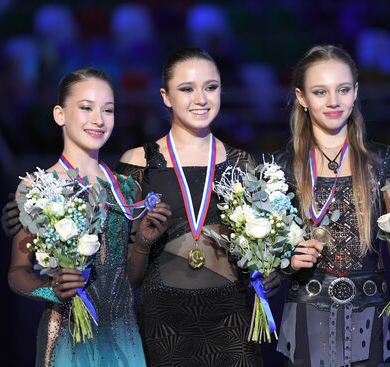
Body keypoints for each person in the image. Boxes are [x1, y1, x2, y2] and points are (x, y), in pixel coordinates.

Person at [116, 47, 280, 367]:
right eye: (187, 89)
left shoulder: (243, 164)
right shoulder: (137, 163)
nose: (201, 98)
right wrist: (143, 243)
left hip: (232, 321)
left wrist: (269, 271)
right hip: (163, 323)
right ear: (166, 97)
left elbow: (262, 250)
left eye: (211, 87)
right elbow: (126, 277)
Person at [7, 67, 171, 366]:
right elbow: (17, 273)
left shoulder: (126, 187)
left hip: (123, 335)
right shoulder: (38, 188)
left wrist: (143, 244)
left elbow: (129, 280)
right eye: (86, 108)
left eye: (108, 110)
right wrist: (51, 289)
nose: (98, 119)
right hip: (68, 337)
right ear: (60, 114)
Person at [274, 45, 390, 367]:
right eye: (320, 92)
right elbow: (268, 269)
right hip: (305, 312)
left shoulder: (381, 162)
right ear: (301, 97)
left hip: (370, 314)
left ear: (355, 92)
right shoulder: (282, 169)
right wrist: (286, 261)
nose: (333, 101)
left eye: (342, 89)